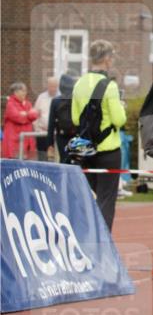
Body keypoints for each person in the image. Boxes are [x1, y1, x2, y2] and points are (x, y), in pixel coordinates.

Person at [72, 41, 127, 231]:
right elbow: (119, 120)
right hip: (108, 150)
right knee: (106, 199)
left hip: (86, 149)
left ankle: (88, 238)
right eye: (111, 57)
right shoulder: (110, 86)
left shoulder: (78, 83)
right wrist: (121, 108)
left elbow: (75, 118)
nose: (112, 60)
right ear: (105, 59)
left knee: (90, 198)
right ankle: (103, 244)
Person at [2, 82, 38, 159]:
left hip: (27, 141)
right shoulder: (10, 104)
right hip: (15, 142)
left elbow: (35, 115)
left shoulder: (28, 103)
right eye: (23, 91)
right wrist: (28, 115)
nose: (25, 93)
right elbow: (17, 117)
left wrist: (25, 114)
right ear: (16, 92)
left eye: (25, 91)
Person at [46, 74, 77, 162]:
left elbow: (51, 124)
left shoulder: (55, 101)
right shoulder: (77, 100)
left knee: (64, 161)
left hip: (61, 137)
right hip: (76, 136)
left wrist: (50, 144)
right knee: (76, 162)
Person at [33, 76, 58, 160]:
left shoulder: (60, 98)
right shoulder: (41, 97)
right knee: (42, 156)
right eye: (51, 86)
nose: (53, 88)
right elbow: (35, 114)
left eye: (55, 86)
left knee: (55, 157)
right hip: (41, 133)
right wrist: (36, 128)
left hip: (55, 134)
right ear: (47, 86)